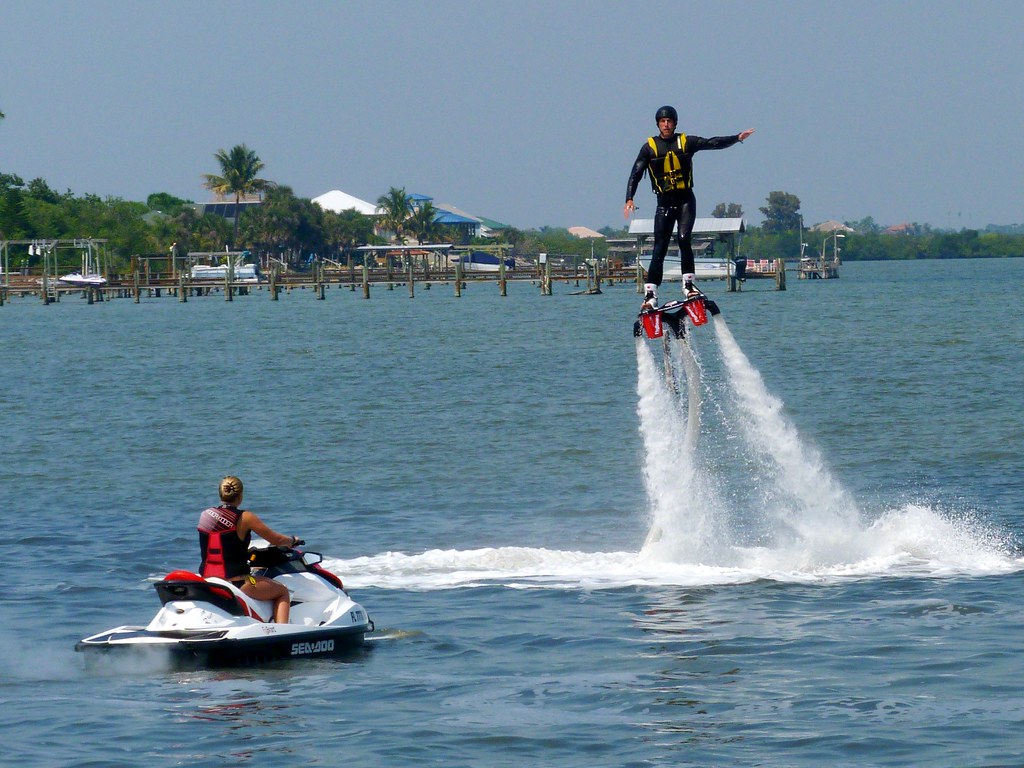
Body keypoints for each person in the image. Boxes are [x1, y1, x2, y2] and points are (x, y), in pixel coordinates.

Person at [625, 105, 755, 309]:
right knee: (660, 246)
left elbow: (713, 143)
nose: (666, 124)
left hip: (686, 200)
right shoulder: (649, 147)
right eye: (662, 121)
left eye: (669, 121)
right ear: (658, 124)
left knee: (684, 239)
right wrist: (629, 198)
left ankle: (688, 285)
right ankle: (650, 294)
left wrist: (737, 137)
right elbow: (636, 174)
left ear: (675, 123)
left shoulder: (686, 142)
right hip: (664, 203)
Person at [197, 476, 301, 623]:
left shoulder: (205, 515)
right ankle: (282, 635)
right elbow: (276, 540)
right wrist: (292, 540)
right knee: (282, 591)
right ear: (240, 496)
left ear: (221, 494)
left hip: (209, 581)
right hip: (241, 582)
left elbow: (223, 544)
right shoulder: (245, 517)